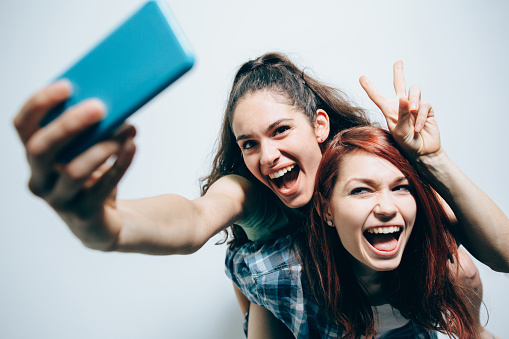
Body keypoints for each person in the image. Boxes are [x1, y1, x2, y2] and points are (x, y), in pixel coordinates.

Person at [13, 53, 508, 337]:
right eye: (249, 144)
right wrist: (107, 224)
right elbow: (191, 219)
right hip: (279, 308)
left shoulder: (366, 170)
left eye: (279, 131)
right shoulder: (255, 196)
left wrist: (430, 161)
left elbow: (499, 252)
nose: (267, 156)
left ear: (318, 126)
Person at [303, 125, 476, 337]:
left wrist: (436, 157)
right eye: (361, 190)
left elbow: (503, 257)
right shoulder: (283, 278)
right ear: (326, 209)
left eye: (401, 187)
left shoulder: (442, 261)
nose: (387, 208)